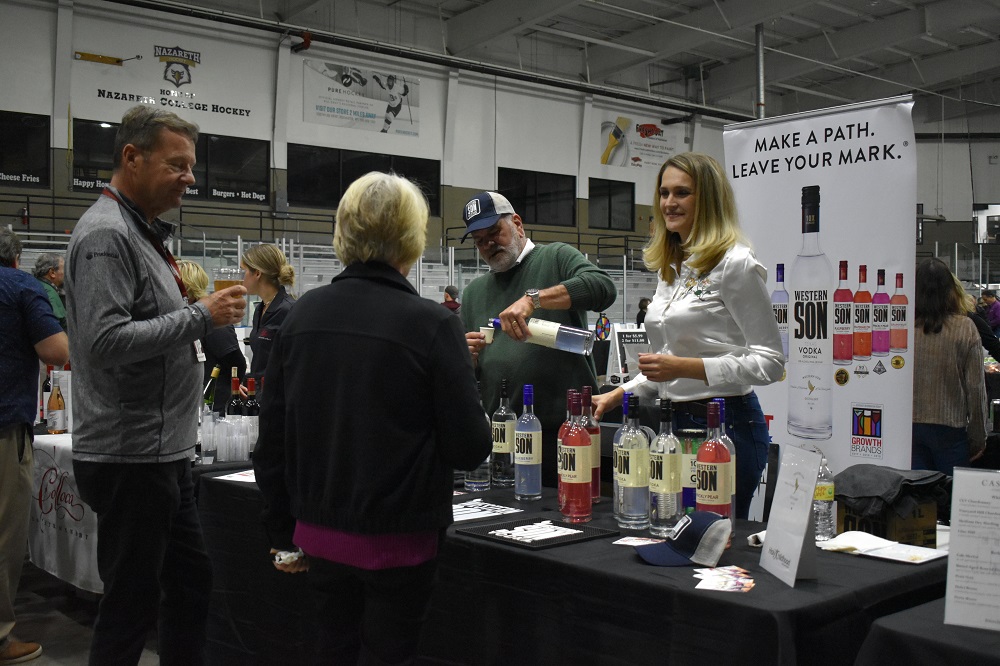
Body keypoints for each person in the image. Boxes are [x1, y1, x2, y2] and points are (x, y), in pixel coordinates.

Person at [253, 172, 491, 665]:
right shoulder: (433, 324)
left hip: (318, 533)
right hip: (400, 538)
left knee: (331, 650)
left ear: (343, 232)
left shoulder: (300, 317)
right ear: (412, 237)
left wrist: (281, 533)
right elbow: (470, 446)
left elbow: (272, 437)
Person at [65, 105, 247, 666]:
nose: (190, 178)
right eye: (177, 165)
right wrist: (200, 316)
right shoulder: (107, 234)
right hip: (130, 456)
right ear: (132, 157)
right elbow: (104, 341)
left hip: (161, 452)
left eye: (191, 166)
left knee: (189, 584)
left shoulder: (140, 231)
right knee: (131, 604)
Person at [591, 153, 784, 519]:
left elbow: (771, 362)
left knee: (712, 539)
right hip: (673, 424)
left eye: (682, 193)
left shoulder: (735, 264)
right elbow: (667, 366)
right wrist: (618, 394)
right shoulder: (671, 267)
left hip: (726, 425)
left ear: (708, 199)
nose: (669, 202)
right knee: (672, 530)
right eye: (664, 193)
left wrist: (685, 367)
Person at [461, 191, 617, 487]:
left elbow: (603, 288)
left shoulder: (556, 257)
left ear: (517, 224)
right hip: (505, 443)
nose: (489, 244)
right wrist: (467, 359)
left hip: (567, 435)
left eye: (494, 232)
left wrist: (534, 299)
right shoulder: (473, 294)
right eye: (479, 240)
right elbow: (469, 377)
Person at [0, 228, 68, 665]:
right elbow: (57, 351)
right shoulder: (21, 286)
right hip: (5, 423)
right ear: (16, 257)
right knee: (4, 534)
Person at [913, 258, 987, 475]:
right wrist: (978, 436)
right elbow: (976, 388)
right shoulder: (965, 328)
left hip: (908, 429)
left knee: (917, 493)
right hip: (950, 428)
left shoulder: (900, 327)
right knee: (953, 493)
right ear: (951, 289)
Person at [177, 260, 247, 414]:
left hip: (213, 407)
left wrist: (231, 386)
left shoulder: (211, 318)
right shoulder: (187, 316)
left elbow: (236, 363)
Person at [241, 244, 294, 392]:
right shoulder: (260, 309)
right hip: (259, 394)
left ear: (257, 273)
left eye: (244, 271)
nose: (241, 277)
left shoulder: (288, 310)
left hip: (278, 396)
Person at [32, 253, 66, 330]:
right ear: (52, 273)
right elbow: (57, 326)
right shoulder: (50, 294)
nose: (65, 273)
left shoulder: (36, 285)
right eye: (64, 269)